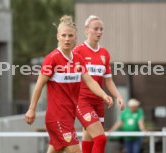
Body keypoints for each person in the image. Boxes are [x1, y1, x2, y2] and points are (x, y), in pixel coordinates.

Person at [24, 15, 113, 153]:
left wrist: (103, 95)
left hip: (69, 116)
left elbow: (89, 81)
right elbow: (39, 85)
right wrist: (31, 109)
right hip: (57, 117)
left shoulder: (78, 58)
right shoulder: (52, 59)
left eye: (70, 35)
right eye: (63, 35)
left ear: (75, 38)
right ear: (57, 36)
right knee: (76, 150)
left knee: (55, 150)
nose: (67, 39)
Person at [73, 15, 124, 153]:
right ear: (86, 30)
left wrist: (118, 96)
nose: (99, 32)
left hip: (99, 102)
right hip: (82, 101)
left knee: (90, 137)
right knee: (101, 139)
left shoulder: (104, 53)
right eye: (96, 29)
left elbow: (108, 80)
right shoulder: (77, 51)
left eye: (101, 29)